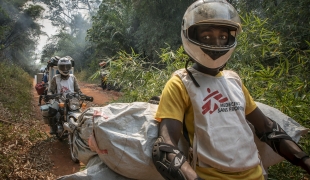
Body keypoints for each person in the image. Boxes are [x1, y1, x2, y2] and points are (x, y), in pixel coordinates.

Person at [151, 1, 310, 180]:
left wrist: (305, 162)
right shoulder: (180, 84)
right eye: (206, 36)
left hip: (257, 175)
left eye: (223, 36)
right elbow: (165, 146)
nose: (217, 43)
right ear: (191, 35)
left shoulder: (234, 80)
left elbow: (268, 129)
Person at [47, 57, 83, 134]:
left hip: (72, 100)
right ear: (59, 67)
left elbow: (78, 89)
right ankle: (53, 128)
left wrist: (81, 95)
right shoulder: (55, 78)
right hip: (60, 100)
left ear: (70, 67)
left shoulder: (73, 77)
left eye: (67, 66)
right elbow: (50, 90)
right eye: (63, 67)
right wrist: (51, 97)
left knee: (81, 113)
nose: (65, 68)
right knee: (52, 111)